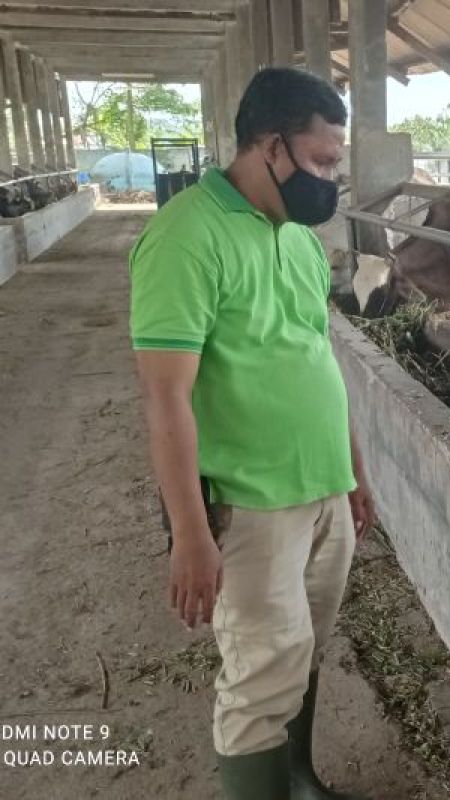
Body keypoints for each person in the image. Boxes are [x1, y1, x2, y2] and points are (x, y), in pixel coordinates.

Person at [128, 67, 375, 800]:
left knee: (303, 648)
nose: (331, 178)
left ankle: (297, 779)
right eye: (323, 160)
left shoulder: (296, 238)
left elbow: (316, 356)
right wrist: (191, 533)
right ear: (271, 147)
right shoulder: (185, 237)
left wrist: (352, 470)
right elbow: (164, 396)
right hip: (251, 501)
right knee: (262, 675)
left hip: (322, 487)